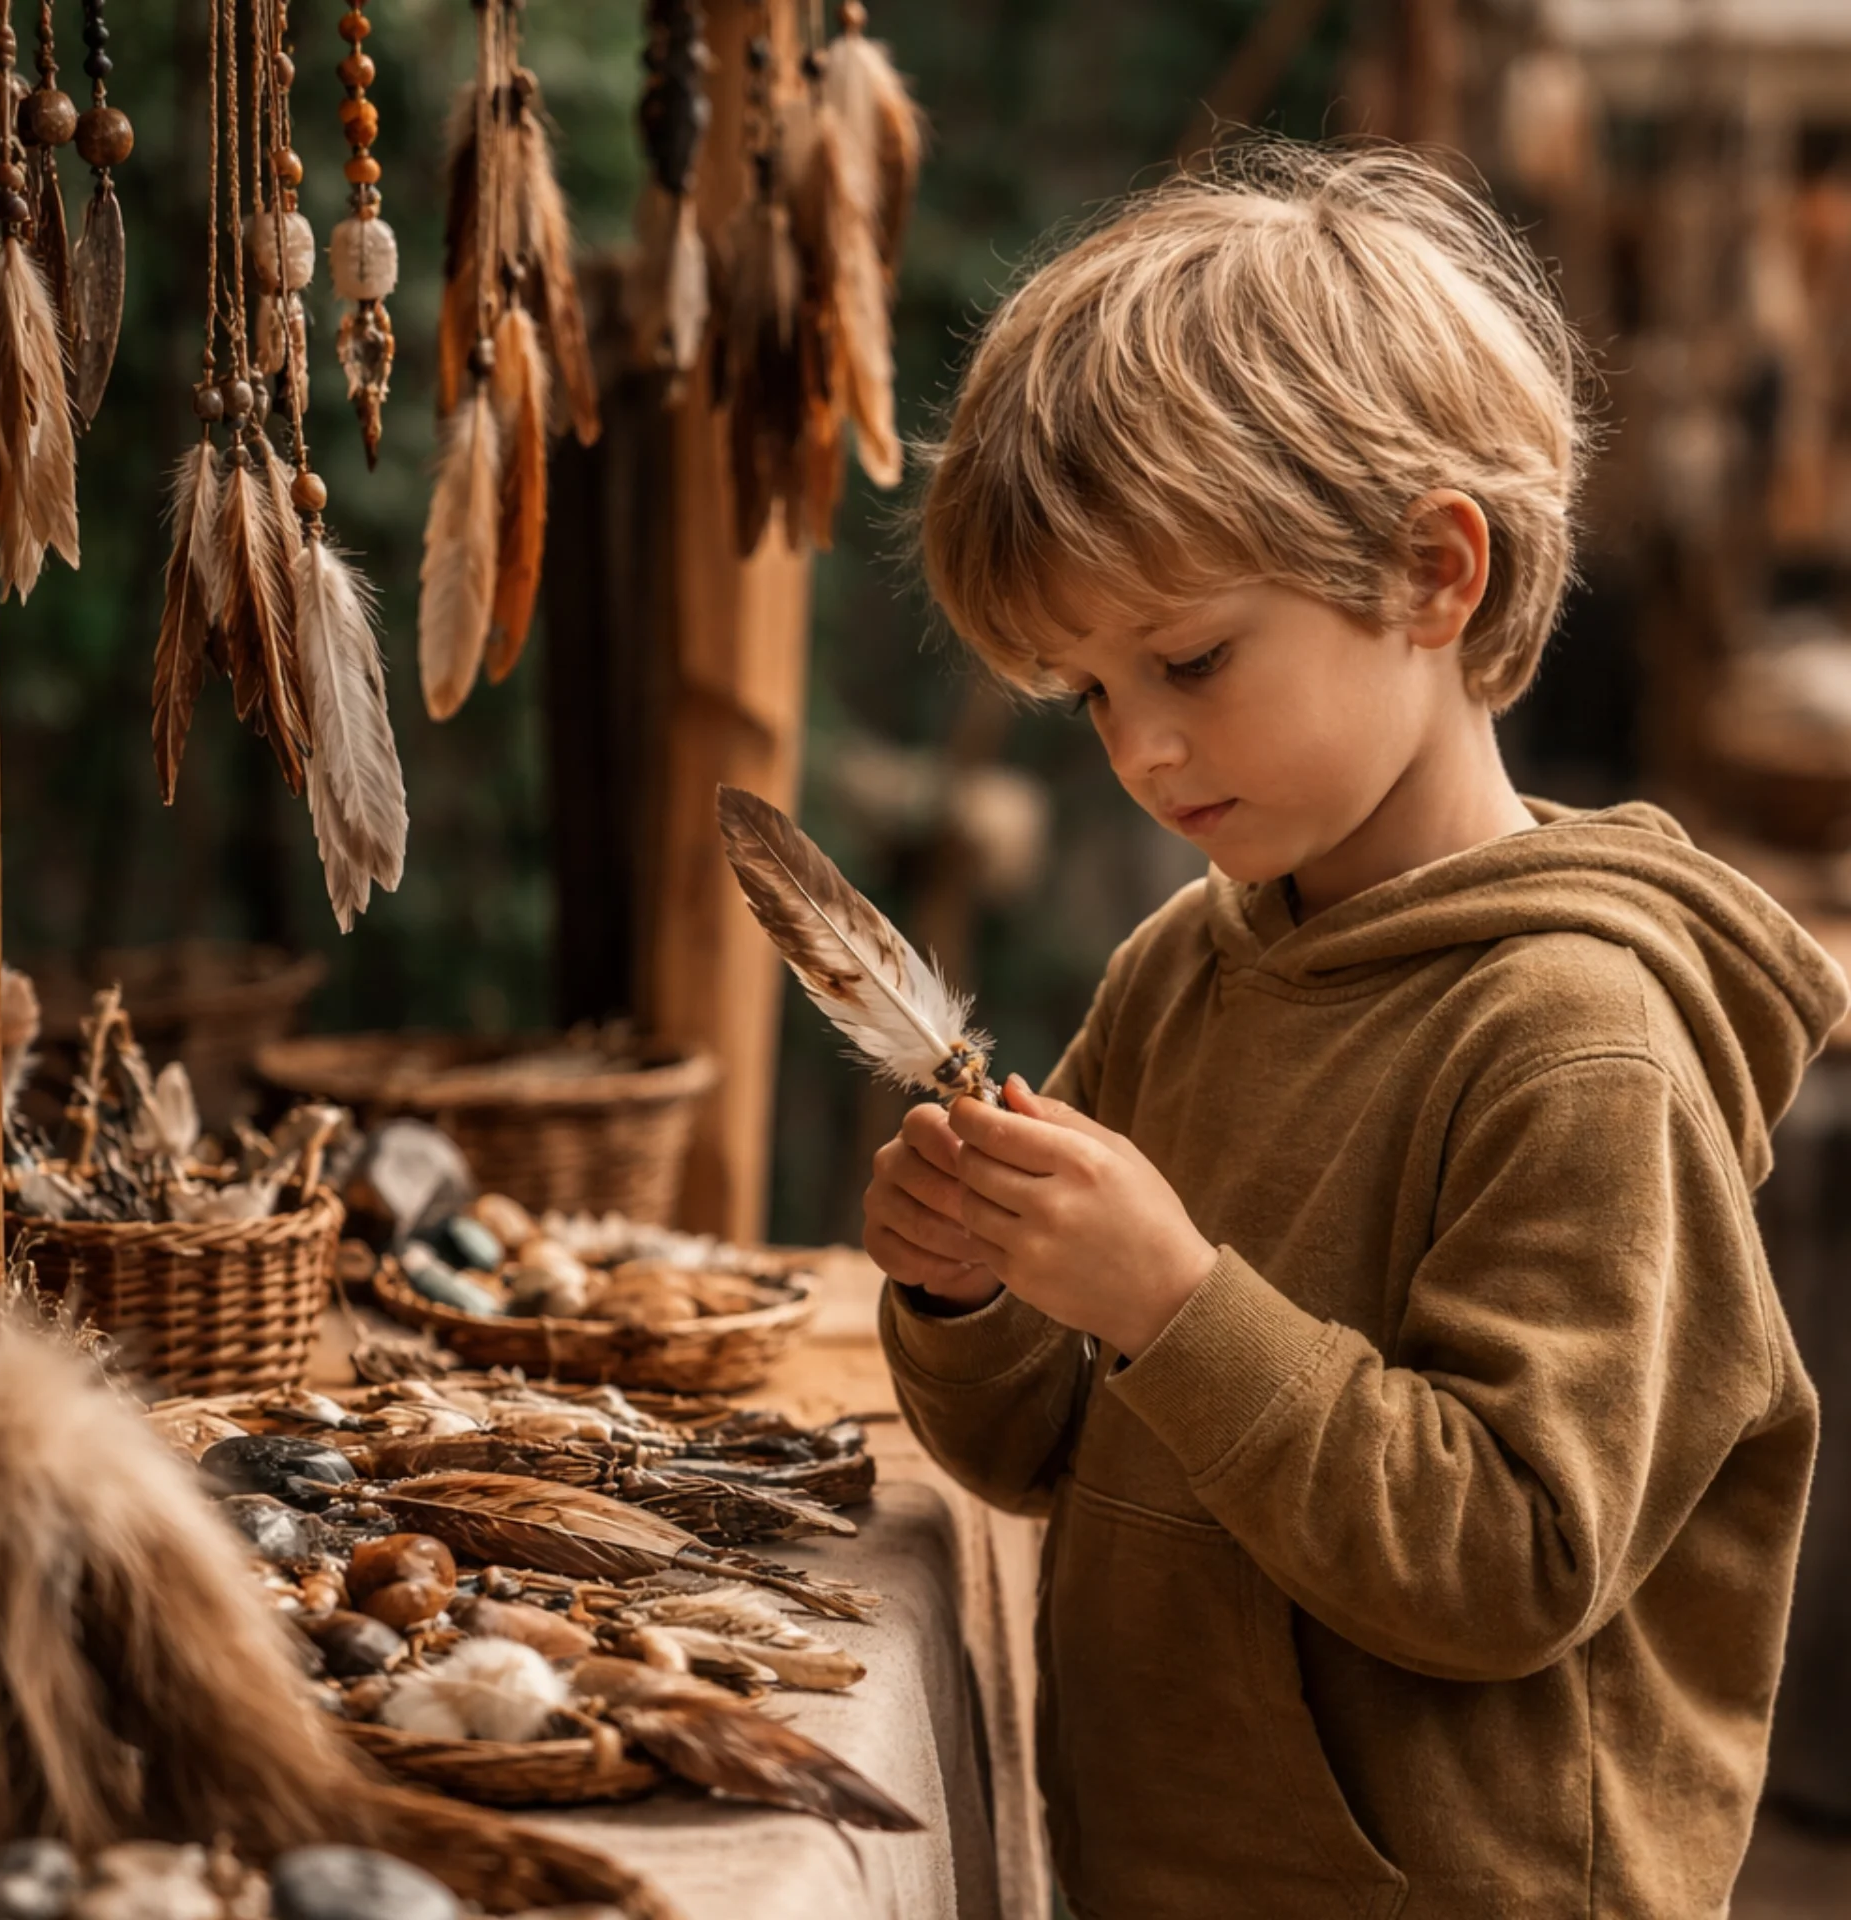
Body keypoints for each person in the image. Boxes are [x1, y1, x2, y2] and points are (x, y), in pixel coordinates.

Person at [865, 142, 1849, 1920]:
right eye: (1088, 694)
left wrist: (1173, 1302)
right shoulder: (1187, 968)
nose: (1141, 752)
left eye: (1190, 661)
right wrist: (970, 1292)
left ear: (1435, 573)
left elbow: (1512, 1561)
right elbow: (1034, 1449)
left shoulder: (1576, 1042)